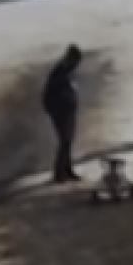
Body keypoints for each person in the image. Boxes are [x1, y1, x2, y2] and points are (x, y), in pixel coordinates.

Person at [42, 45, 83, 183]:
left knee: (68, 140)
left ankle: (67, 169)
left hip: (68, 110)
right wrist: (57, 108)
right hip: (60, 111)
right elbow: (52, 94)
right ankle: (59, 173)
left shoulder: (68, 71)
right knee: (64, 140)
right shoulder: (60, 72)